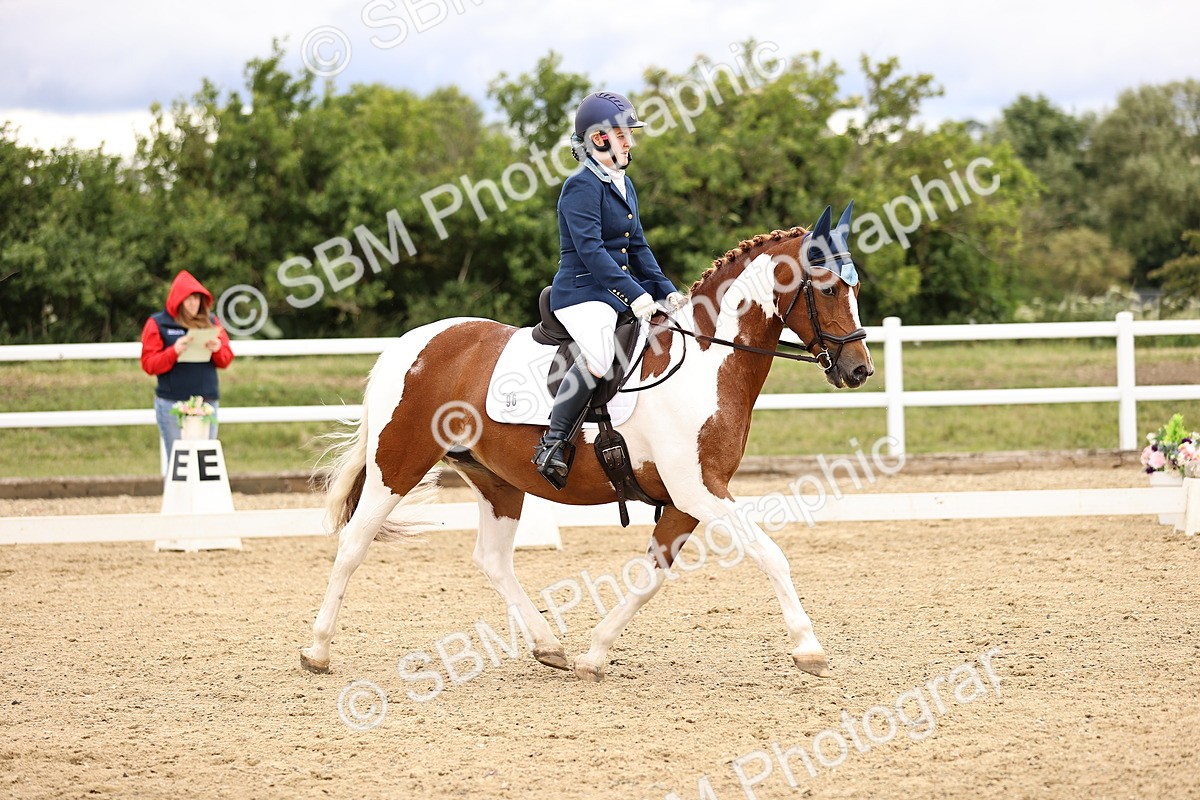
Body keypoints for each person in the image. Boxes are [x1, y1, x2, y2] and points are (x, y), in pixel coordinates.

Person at [532, 90, 686, 488]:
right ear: (599, 138)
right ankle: (552, 443)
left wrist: (666, 291)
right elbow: (591, 250)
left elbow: (637, 247)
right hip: (581, 293)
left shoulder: (622, 183)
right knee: (601, 356)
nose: (630, 142)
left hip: (612, 291)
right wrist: (634, 293)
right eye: (622, 135)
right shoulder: (580, 186)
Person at [140, 270, 235, 461]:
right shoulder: (158, 323)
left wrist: (216, 349)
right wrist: (173, 352)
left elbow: (226, 359)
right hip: (171, 401)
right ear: (178, 301)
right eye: (188, 299)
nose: (193, 304)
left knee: (204, 461)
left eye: (197, 299)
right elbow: (149, 364)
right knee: (178, 461)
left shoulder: (211, 322)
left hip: (206, 400)